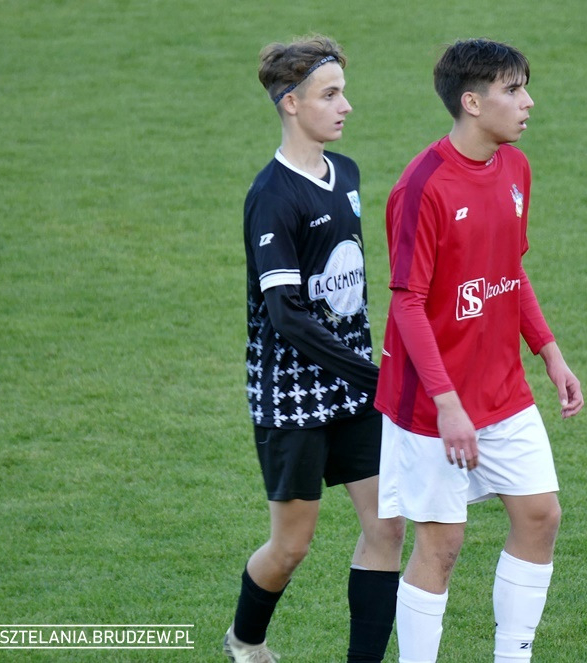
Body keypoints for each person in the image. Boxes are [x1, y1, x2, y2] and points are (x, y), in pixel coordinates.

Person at [375, 39, 584, 663]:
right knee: (441, 546)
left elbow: (509, 272)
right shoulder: (422, 186)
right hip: (430, 404)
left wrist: (548, 351)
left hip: (501, 390)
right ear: (472, 102)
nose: (528, 102)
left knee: (541, 516)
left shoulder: (515, 169)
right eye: (512, 90)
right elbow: (407, 303)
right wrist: (447, 404)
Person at [225, 35, 405, 663]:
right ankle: (245, 641)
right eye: (330, 95)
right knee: (292, 546)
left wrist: (369, 374)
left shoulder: (345, 173)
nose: (345, 106)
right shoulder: (273, 197)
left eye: (342, 92)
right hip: (294, 395)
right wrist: (375, 374)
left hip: (354, 389)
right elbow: (287, 317)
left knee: (387, 526)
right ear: (291, 104)